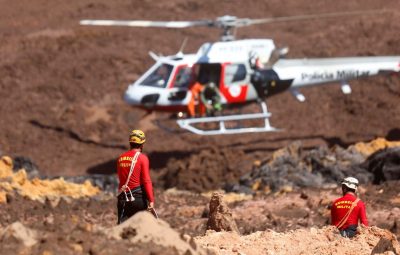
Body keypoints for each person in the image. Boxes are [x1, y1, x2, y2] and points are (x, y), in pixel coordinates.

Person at [116, 129, 155, 224]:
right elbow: (146, 180)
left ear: (130, 143)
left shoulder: (121, 158)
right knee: (141, 228)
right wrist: (151, 200)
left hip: (123, 199)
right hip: (138, 199)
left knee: (122, 228)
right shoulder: (142, 158)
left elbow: (121, 179)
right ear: (142, 144)